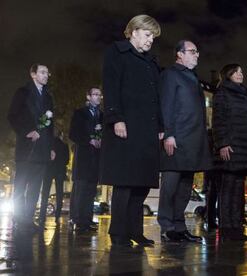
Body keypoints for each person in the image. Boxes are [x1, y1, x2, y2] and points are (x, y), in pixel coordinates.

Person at [100, 15, 163, 248]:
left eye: (153, 38)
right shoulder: (116, 52)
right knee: (125, 182)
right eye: (148, 35)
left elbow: (157, 98)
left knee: (142, 183)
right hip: (126, 126)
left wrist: (161, 127)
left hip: (147, 130)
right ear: (134, 31)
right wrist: (116, 118)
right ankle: (118, 233)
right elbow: (111, 86)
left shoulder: (151, 61)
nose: (150, 41)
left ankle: (135, 231)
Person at [158, 40, 212, 242]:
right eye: (193, 51)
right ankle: (167, 226)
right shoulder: (170, 74)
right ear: (180, 54)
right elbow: (166, 105)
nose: (197, 55)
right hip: (177, 138)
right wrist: (168, 133)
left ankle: (179, 227)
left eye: (197, 51)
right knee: (170, 185)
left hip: (193, 139)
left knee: (185, 187)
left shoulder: (193, 77)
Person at [212, 64, 247, 241]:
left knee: (238, 188)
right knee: (228, 187)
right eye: (237, 71)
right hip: (230, 145)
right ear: (228, 75)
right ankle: (226, 229)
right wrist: (222, 143)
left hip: (243, 146)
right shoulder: (223, 93)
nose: (241, 74)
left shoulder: (244, 94)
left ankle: (236, 228)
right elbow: (218, 120)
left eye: (242, 71)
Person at [7, 63, 54, 232]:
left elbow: (51, 125)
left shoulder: (48, 97)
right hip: (26, 147)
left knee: (35, 186)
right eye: (42, 72)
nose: (46, 75)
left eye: (47, 73)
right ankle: (18, 218)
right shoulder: (23, 92)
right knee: (21, 184)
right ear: (33, 74)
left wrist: (51, 147)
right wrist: (26, 131)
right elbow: (12, 115)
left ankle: (28, 219)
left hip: (42, 149)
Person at [69, 88, 103, 232]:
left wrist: (101, 139)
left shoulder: (102, 115)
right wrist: (89, 140)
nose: (98, 97)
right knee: (80, 189)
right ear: (88, 96)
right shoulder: (80, 113)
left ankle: (87, 219)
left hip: (96, 158)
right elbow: (73, 133)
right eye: (95, 94)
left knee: (91, 190)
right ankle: (76, 219)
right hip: (83, 156)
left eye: (100, 95)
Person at [38, 131, 69, 227]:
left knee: (45, 193)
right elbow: (67, 160)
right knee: (59, 193)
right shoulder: (64, 145)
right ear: (61, 135)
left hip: (49, 170)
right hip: (60, 171)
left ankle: (42, 216)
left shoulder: (49, 144)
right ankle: (57, 216)